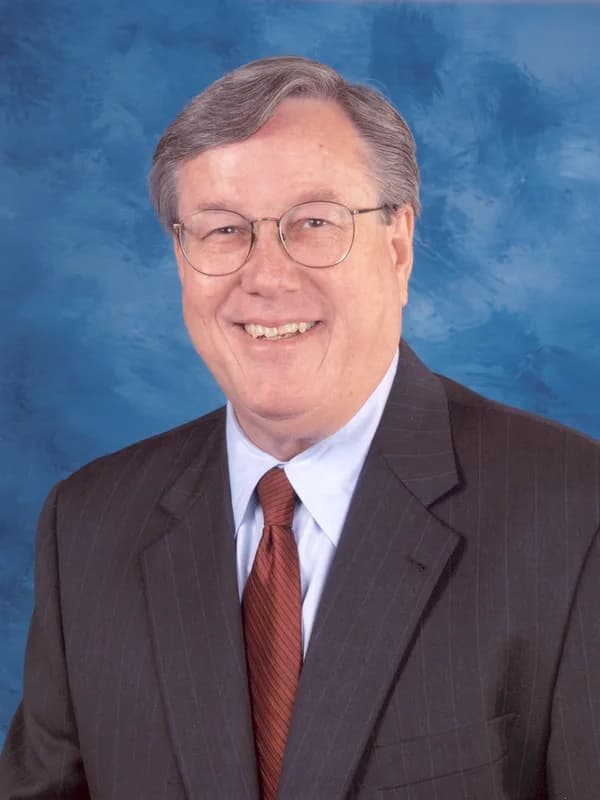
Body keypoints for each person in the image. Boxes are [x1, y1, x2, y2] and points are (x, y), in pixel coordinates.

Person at [1, 55, 599, 800]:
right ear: (181, 257)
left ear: (399, 245)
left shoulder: (575, 512)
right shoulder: (88, 525)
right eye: (224, 230)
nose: (267, 276)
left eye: (314, 223)